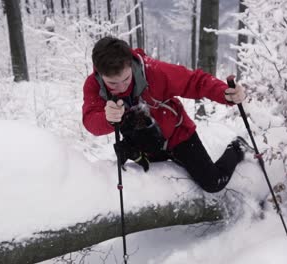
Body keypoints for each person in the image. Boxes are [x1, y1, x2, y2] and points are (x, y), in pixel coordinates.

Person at [82, 36, 251, 193]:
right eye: (112, 83)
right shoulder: (93, 86)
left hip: (178, 136)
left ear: (130, 65)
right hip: (146, 144)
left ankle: (237, 148)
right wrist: (107, 119)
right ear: (99, 72)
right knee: (157, 189)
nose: (121, 87)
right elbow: (90, 120)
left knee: (213, 183)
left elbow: (195, 81)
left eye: (126, 79)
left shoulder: (154, 71)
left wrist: (224, 93)